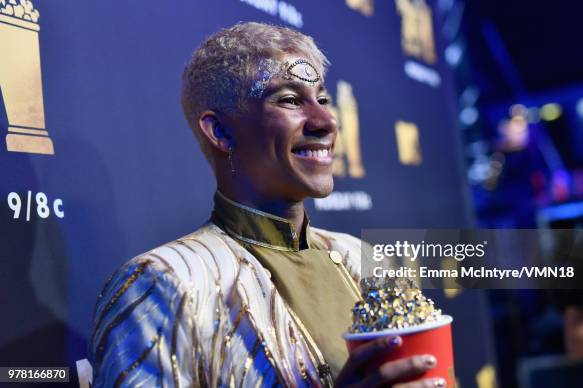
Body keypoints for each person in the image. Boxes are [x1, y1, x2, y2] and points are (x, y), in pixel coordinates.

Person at [89, 22, 445, 387]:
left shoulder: (365, 261)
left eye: (323, 99)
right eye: (290, 100)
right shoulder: (166, 281)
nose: (325, 121)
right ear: (221, 132)